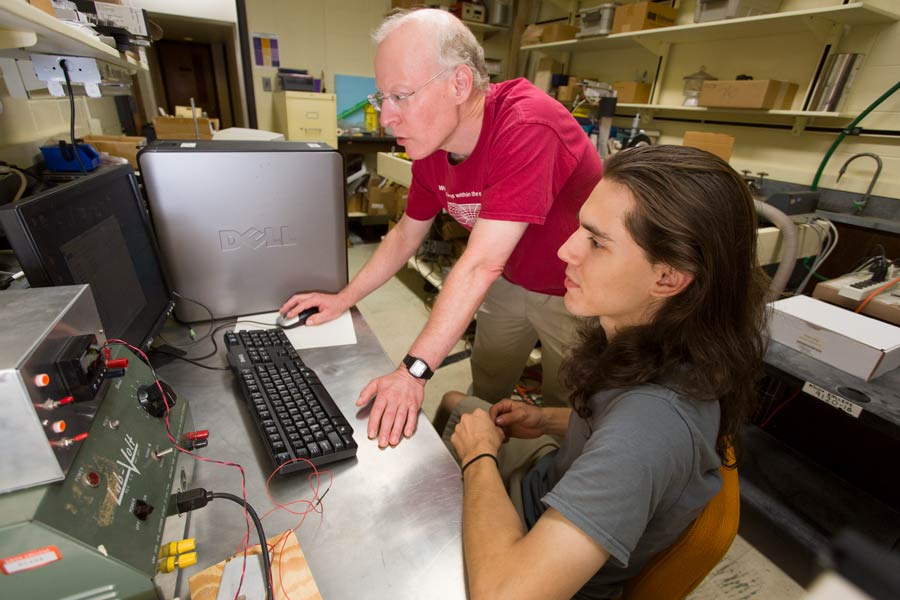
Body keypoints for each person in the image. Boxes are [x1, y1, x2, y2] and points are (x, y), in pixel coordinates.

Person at [440, 145, 769, 599]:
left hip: (532, 549)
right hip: (547, 481)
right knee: (453, 403)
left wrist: (480, 459)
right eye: (580, 228)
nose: (565, 250)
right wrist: (551, 420)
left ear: (669, 278)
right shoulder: (661, 346)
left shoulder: (650, 430)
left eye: (596, 242)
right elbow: (615, 427)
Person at [281, 9, 603, 448]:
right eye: (382, 99)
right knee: (488, 385)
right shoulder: (433, 143)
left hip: (574, 290)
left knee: (560, 407)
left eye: (400, 96)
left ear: (459, 84)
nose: (386, 118)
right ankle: (479, 454)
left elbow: (480, 263)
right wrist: (343, 298)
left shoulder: (527, 124)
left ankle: (540, 485)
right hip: (509, 281)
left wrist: (413, 371)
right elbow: (403, 236)